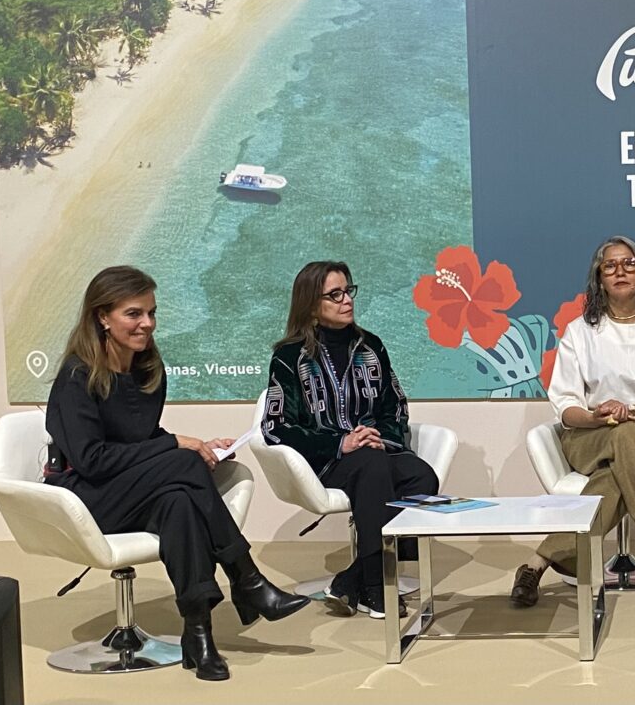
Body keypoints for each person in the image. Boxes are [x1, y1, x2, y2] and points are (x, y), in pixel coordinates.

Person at [44, 266, 308, 682]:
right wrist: (176, 445)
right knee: (184, 464)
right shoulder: (77, 376)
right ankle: (247, 578)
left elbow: (138, 439)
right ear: (102, 317)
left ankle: (198, 634)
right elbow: (93, 460)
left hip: (131, 491)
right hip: (84, 497)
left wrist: (197, 445)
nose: (147, 323)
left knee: (179, 502)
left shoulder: (148, 369)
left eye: (151, 312)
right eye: (134, 314)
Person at [510, 235, 635, 606]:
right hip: (591, 435)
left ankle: (536, 564)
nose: (620, 271)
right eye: (610, 265)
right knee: (624, 436)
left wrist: (631, 412)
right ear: (599, 279)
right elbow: (564, 403)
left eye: (629, 263)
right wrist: (595, 415)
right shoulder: (580, 331)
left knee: (617, 468)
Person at [261, 261, 439, 619]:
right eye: (335, 295)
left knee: (422, 477)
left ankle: (352, 578)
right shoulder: (289, 356)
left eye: (348, 291)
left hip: (375, 451)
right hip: (324, 461)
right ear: (312, 305)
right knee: (372, 467)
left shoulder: (371, 346)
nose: (347, 300)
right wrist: (340, 443)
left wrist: (380, 437)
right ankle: (375, 587)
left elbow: (395, 405)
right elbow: (276, 426)